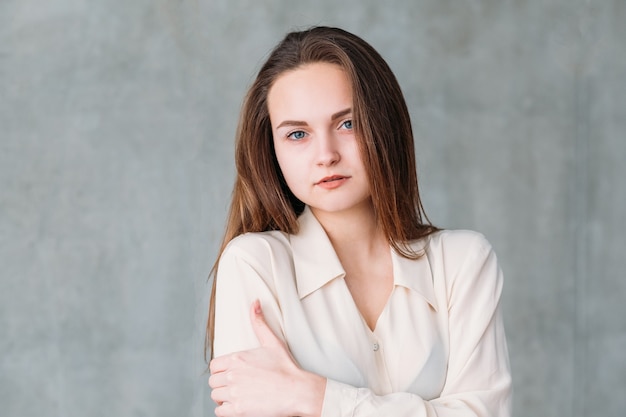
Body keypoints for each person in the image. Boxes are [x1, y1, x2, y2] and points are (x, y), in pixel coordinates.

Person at [206, 26, 511, 417]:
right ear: (272, 150)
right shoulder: (254, 263)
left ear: (385, 125)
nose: (326, 154)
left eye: (347, 124)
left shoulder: (464, 261)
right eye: (297, 134)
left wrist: (315, 399)